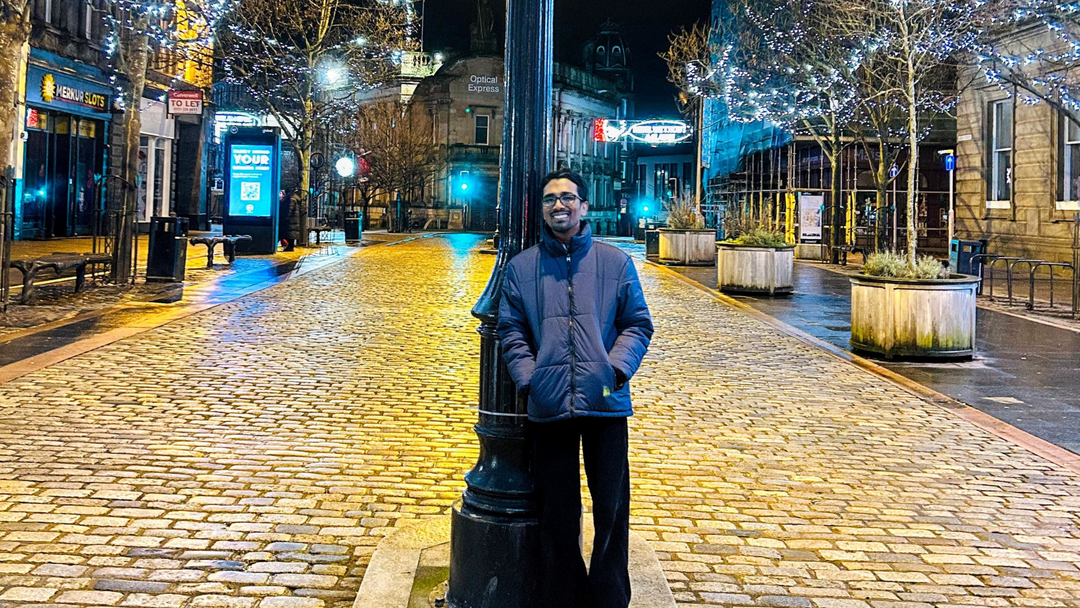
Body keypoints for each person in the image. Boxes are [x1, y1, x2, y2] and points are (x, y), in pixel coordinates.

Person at [497, 168, 653, 608]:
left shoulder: (614, 262)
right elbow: (511, 332)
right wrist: (530, 378)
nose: (559, 205)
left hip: (605, 401)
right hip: (549, 404)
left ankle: (608, 598)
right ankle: (563, 595)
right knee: (558, 513)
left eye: (568, 197)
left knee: (611, 508)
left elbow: (638, 323)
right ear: (541, 208)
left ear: (584, 207)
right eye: (550, 199)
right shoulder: (523, 267)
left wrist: (615, 371)